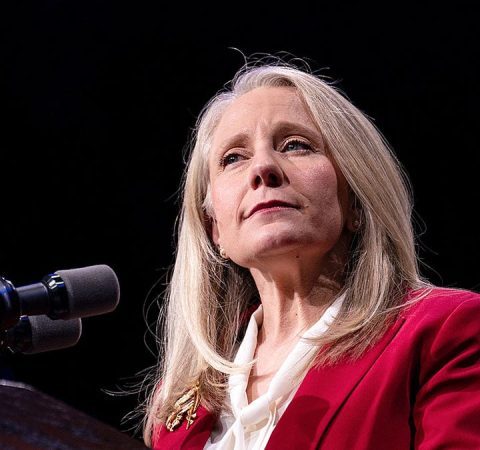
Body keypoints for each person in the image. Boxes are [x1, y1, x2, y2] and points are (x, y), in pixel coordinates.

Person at [141, 58, 480, 449]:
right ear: (215, 228)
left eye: (295, 145)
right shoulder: (180, 402)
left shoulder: (443, 334)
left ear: (356, 200)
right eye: (233, 157)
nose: (263, 167)